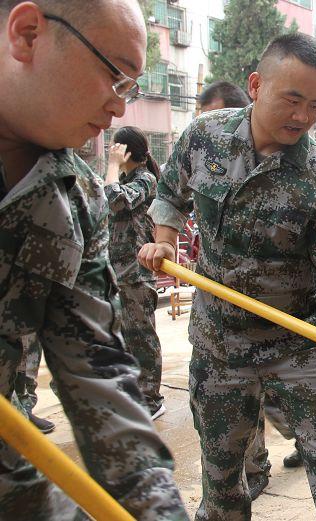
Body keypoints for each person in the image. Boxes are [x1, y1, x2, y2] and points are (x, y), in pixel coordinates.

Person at [139, 33, 316, 520]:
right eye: (291, 100)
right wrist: (165, 239)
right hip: (220, 345)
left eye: (315, 105)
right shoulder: (204, 137)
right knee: (223, 476)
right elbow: (172, 191)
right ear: (256, 85)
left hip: (295, 343)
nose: (303, 117)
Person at [0, 1, 187, 519]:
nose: (119, 107)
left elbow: (98, 374)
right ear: (29, 33)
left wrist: (156, 510)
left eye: (131, 86)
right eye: (114, 76)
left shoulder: (78, 198)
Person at [197, 79, 304, 494]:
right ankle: (257, 466)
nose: (207, 128)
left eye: (213, 116)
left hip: (276, 321)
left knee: (267, 392)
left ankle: (286, 449)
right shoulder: (207, 153)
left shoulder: (293, 169)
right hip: (221, 321)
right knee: (244, 401)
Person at [105, 126, 165, 419]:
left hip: (137, 273)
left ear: (128, 151)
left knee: (142, 337)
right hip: (119, 271)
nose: (111, 152)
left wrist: (112, 168)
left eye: (115, 148)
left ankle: (151, 399)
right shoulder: (129, 178)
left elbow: (115, 200)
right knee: (125, 337)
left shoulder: (146, 180)